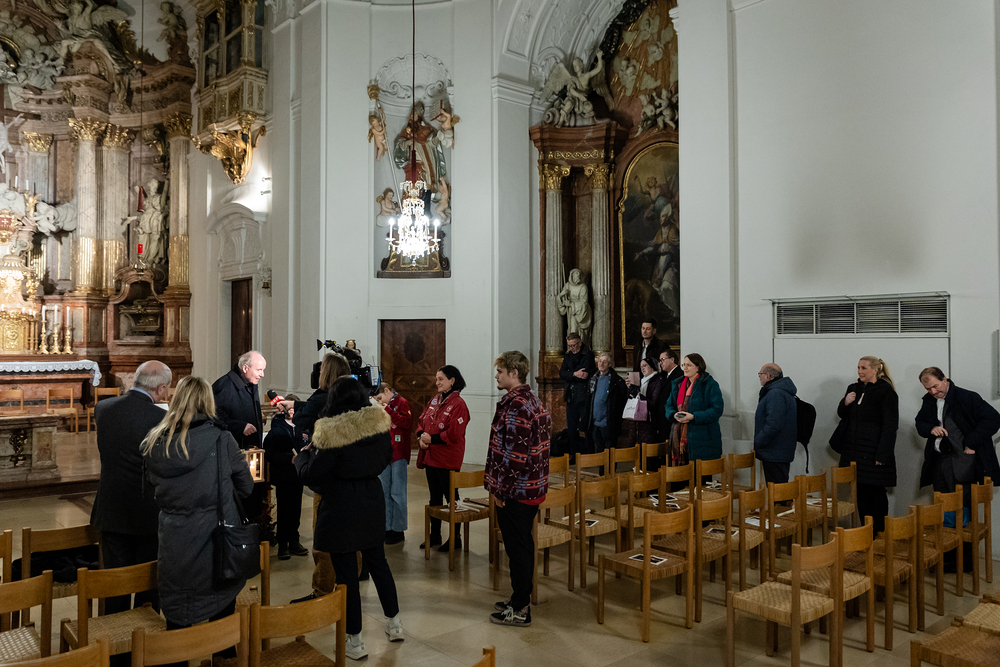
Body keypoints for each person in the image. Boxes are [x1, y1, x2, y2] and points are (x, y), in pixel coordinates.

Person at [297, 377, 403, 660]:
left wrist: (301, 459)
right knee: (378, 564)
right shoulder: (378, 424)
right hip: (371, 498)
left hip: (342, 504)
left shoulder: (332, 430)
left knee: (347, 575)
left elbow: (314, 474)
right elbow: (386, 457)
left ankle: (354, 640)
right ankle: (394, 624)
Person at [142, 376, 254, 630]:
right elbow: (246, 487)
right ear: (208, 401)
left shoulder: (154, 442)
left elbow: (151, 489)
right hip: (218, 539)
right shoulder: (221, 440)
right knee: (222, 624)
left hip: (175, 539)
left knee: (179, 616)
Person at [90, 360, 171, 614]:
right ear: (160, 388)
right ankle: (144, 635)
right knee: (148, 585)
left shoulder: (103, 408)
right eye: (167, 388)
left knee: (116, 583)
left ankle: (115, 636)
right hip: (147, 512)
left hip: (111, 508)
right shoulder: (161, 418)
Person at [279, 352, 352, 602]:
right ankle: (348, 587)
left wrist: (297, 410)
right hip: (350, 479)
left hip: (327, 480)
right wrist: (298, 405)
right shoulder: (354, 398)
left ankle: (322, 592)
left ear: (326, 374)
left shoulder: (322, 397)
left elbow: (302, 420)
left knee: (324, 541)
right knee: (350, 538)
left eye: (321, 371)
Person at [487, 351, 551, 627]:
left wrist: (501, 490)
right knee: (522, 545)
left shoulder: (517, 405)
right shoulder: (532, 399)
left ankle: (520, 608)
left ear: (514, 373)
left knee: (518, 549)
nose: (496, 376)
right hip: (530, 487)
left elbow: (515, 455)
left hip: (518, 491)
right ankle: (518, 597)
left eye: (500, 371)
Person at [915, 367, 1000, 512]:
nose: (933, 392)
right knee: (943, 504)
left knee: (962, 506)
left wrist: (972, 442)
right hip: (939, 460)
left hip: (963, 460)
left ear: (944, 379)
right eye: (928, 389)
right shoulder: (929, 400)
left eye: (935, 386)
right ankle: (947, 526)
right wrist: (930, 428)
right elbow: (920, 423)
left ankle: (963, 526)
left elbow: (993, 419)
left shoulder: (967, 397)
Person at [830, 356, 898, 535]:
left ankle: (879, 534)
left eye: (864, 368)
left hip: (874, 451)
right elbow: (842, 414)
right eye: (858, 368)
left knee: (876, 493)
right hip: (854, 451)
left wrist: (882, 454)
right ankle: (866, 533)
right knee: (860, 493)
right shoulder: (854, 388)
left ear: (875, 369)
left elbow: (890, 426)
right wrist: (845, 402)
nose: (860, 371)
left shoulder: (886, 392)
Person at [416, 365, 470, 551]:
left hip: (447, 459)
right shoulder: (435, 400)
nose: (437, 382)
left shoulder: (459, 404)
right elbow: (422, 420)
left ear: (452, 380)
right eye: (436, 379)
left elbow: (454, 433)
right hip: (431, 456)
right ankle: (435, 535)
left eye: (441, 379)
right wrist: (421, 437)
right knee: (434, 498)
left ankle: (456, 538)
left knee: (452, 499)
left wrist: (432, 439)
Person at [262, 394, 308, 560]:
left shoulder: (302, 427)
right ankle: (283, 544)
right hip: (283, 474)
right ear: (284, 410)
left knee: (296, 509)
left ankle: (294, 540)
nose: (292, 412)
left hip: (298, 475)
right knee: (284, 510)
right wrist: (289, 458)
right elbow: (270, 453)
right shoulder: (278, 428)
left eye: (295, 409)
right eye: (290, 409)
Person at [666, 353, 724, 466]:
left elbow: (717, 409)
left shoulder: (709, 384)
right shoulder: (678, 384)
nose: (685, 368)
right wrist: (673, 414)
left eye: (689, 365)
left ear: (698, 367)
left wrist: (694, 417)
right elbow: (668, 405)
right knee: (681, 473)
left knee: (700, 474)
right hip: (679, 433)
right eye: (684, 365)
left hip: (703, 437)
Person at [375, 383, 413, 545]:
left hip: (398, 454)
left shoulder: (402, 402)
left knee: (397, 493)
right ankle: (387, 527)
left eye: (380, 397)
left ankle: (398, 529)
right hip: (384, 454)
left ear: (387, 391)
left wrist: (388, 410)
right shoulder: (381, 406)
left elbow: (406, 423)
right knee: (384, 492)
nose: (379, 401)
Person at [753, 363, 798, 485]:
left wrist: (759, 441)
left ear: (768, 376)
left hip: (774, 451)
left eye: (760, 374)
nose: (759, 376)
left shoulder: (775, 393)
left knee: (777, 490)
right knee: (779, 489)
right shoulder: (781, 391)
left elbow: (774, 424)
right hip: (778, 450)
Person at [212, 350, 266, 450]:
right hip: (232, 448)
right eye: (259, 370)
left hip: (251, 449)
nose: (262, 374)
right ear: (245, 368)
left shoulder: (251, 384)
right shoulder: (224, 386)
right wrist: (240, 427)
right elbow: (214, 417)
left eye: (263, 370)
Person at [559, 332, 596, 456]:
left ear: (579, 343)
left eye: (574, 345)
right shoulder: (568, 356)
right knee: (571, 429)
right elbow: (562, 373)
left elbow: (584, 374)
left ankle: (590, 454)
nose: (572, 348)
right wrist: (574, 374)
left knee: (586, 427)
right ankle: (574, 454)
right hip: (571, 397)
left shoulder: (588, 354)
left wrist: (570, 374)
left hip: (584, 397)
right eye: (569, 346)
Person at [587, 352, 628, 452]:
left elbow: (621, 403)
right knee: (599, 452)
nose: (601, 364)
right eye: (600, 361)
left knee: (610, 452)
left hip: (609, 424)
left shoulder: (616, 381)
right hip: (595, 423)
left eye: (604, 362)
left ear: (609, 364)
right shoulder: (593, 379)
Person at [630, 356, 669, 447]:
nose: (642, 369)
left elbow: (653, 403)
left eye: (645, 366)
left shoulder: (657, 381)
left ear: (652, 367)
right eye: (641, 367)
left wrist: (639, 394)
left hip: (649, 421)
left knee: (647, 449)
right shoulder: (640, 381)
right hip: (637, 421)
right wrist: (631, 390)